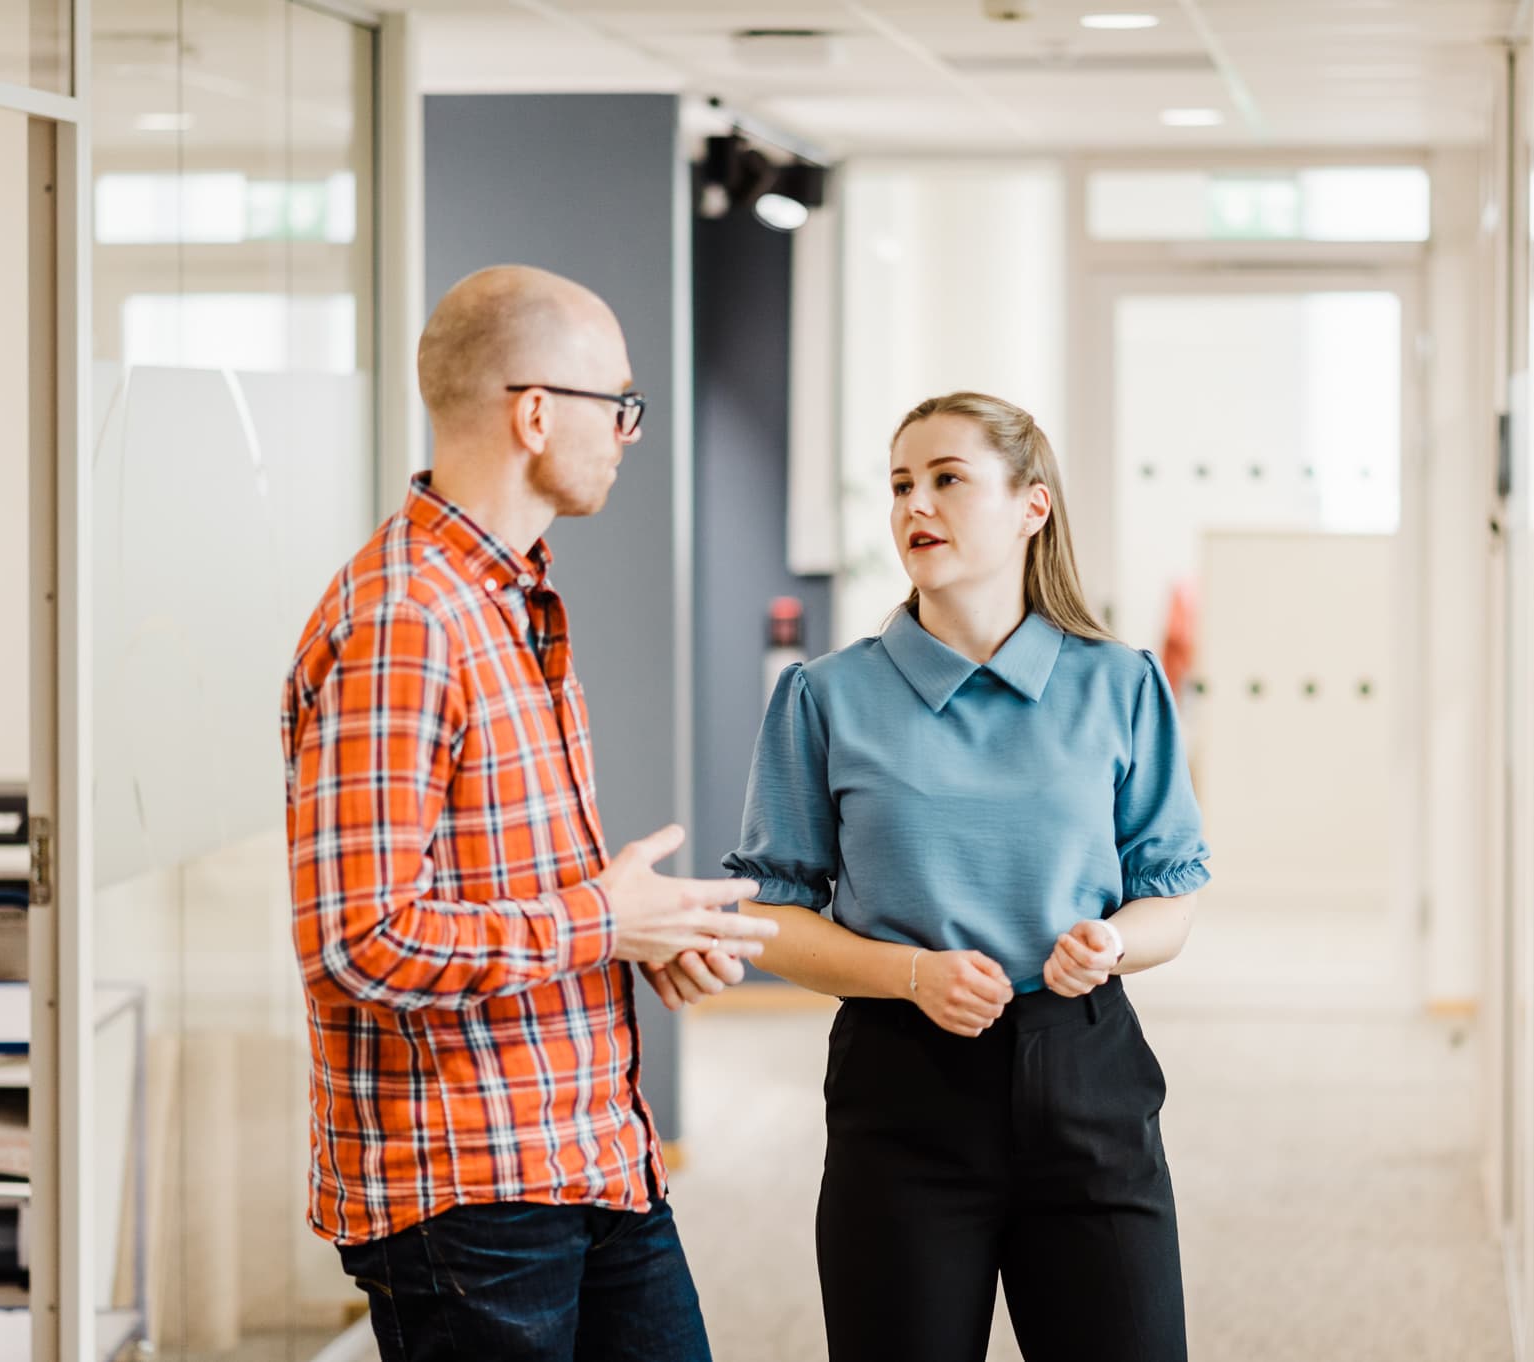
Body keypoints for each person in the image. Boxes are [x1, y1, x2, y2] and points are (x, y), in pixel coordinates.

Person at [282, 264, 775, 1362]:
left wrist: (641, 936)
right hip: (470, 1191)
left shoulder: (510, 599)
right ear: (537, 410)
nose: (628, 434)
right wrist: (605, 923)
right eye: (620, 404)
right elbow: (359, 941)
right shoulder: (404, 620)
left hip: (590, 1150)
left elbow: (508, 889)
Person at [719, 391, 1208, 1362]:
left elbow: (1169, 895)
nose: (915, 507)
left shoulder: (1121, 684)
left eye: (948, 479)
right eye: (902, 484)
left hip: (1086, 1081)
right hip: (905, 1092)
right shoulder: (825, 697)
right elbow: (772, 917)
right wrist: (911, 975)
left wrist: (1113, 943)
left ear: (1033, 505)